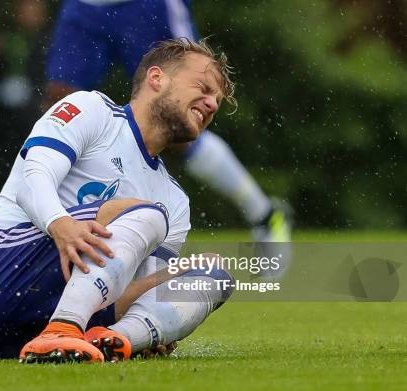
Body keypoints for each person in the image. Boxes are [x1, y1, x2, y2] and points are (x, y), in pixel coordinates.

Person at [0, 38, 236, 363]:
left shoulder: (176, 201)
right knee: (143, 213)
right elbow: (33, 179)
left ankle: (119, 340)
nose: (212, 104)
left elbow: (135, 291)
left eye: (216, 100)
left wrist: (161, 312)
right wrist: (62, 225)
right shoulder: (92, 110)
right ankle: (63, 328)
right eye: (203, 88)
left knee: (214, 271)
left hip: (67, 312)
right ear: (157, 78)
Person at [44, 0, 292, 244]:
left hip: (149, 6)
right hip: (86, 6)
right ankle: (55, 213)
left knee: (179, 125)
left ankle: (264, 215)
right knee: (61, 100)